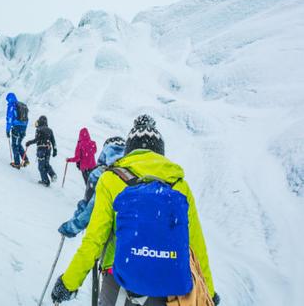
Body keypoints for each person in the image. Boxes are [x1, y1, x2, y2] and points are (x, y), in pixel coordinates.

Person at [51, 115, 220, 306]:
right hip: (165, 284)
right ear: (160, 152)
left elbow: (94, 240)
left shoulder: (111, 179)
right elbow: (196, 245)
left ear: (129, 150)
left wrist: (68, 283)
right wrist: (209, 292)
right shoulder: (179, 185)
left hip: (118, 278)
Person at [58, 137, 126, 238]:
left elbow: (89, 208)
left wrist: (71, 228)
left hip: (103, 233)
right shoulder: (135, 173)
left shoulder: (100, 174)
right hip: (130, 235)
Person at [26, 115, 57, 186]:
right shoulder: (50, 130)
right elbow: (53, 141)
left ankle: (45, 181)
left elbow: (36, 140)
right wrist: (55, 150)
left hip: (41, 149)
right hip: (48, 149)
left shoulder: (39, 129)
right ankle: (53, 175)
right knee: (46, 164)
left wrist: (29, 143)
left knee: (41, 166)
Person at [5, 93, 29, 169]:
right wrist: (24, 128)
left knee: (14, 145)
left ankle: (17, 163)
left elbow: (9, 119)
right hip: (23, 128)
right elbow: (27, 119)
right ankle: (25, 159)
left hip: (16, 128)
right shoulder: (22, 105)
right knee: (18, 144)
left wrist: (7, 130)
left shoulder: (12, 106)